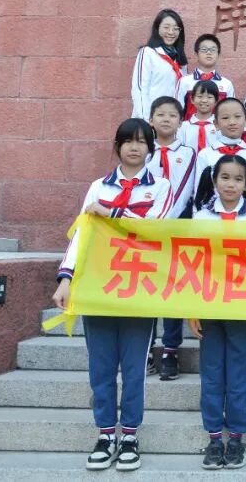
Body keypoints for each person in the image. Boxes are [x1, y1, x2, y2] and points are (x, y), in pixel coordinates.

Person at [52, 118, 171, 471]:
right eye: (127, 141)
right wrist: (65, 278)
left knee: (134, 369)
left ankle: (130, 435)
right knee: (101, 368)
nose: (134, 147)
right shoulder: (98, 186)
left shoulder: (161, 187)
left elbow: (154, 227)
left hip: (139, 288)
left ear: (150, 149)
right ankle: (105, 435)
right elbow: (82, 233)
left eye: (142, 141)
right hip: (98, 286)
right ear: (117, 146)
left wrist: (110, 213)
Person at [191, 155, 246, 470]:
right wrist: (191, 308)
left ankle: (235, 438)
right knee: (211, 375)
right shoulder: (200, 218)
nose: (231, 185)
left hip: (243, 308)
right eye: (225, 178)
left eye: (238, 179)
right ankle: (213, 438)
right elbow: (192, 264)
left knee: (238, 376)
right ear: (214, 181)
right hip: (208, 306)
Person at [146, 96, 196, 381]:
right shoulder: (143, 151)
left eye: (172, 115)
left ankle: (170, 350)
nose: (166, 119)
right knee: (148, 286)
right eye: (160, 114)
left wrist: (166, 221)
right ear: (151, 119)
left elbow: (186, 190)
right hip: (146, 232)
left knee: (173, 288)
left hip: (176, 228)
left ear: (181, 122)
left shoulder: (188, 153)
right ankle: (147, 347)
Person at [194, 98, 246, 219]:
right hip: (212, 220)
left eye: (237, 117)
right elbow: (199, 192)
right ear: (216, 124)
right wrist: (196, 220)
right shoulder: (206, 155)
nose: (232, 122)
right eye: (225, 118)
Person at [131, 8, 187, 119]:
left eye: (175, 28)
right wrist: (147, 119)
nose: (171, 32)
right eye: (166, 27)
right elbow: (139, 89)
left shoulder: (180, 60)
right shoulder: (148, 53)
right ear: (157, 28)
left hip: (171, 120)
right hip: (150, 118)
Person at [179, 34, 233, 120]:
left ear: (218, 55)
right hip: (189, 127)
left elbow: (230, 112)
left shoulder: (226, 84)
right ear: (196, 54)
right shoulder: (184, 81)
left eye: (213, 50)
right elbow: (177, 110)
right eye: (204, 49)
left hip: (217, 128)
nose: (208, 53)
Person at [179, 80, 219, 153]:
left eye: (209, 97)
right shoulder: (183, 127)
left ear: (216, 101)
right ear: (192, 99)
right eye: (200, 96)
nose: (204, 100)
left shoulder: (220, 127)